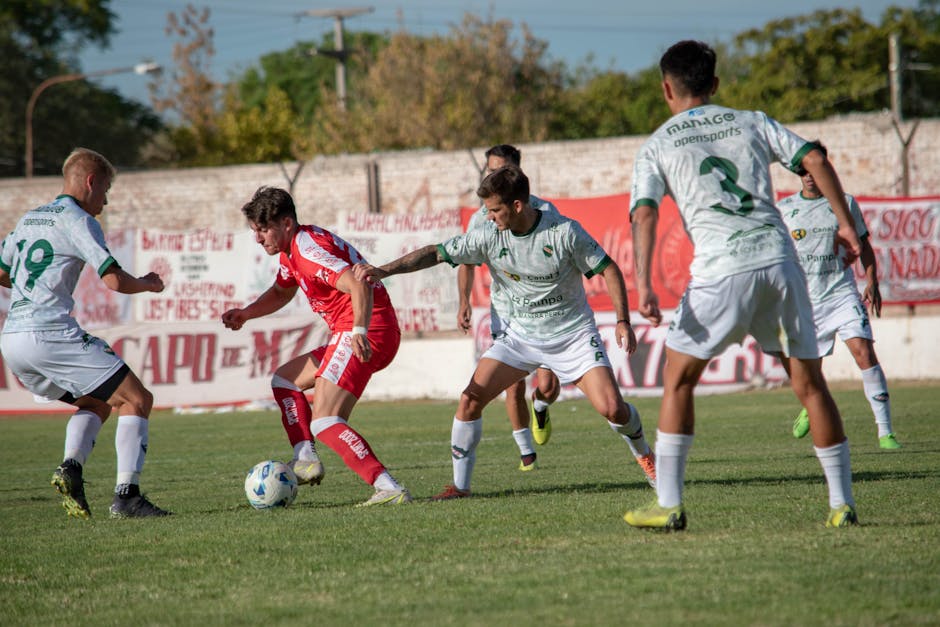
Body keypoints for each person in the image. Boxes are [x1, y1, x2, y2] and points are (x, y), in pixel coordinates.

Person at [624, 40, 861, 531]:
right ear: (714, 84)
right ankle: (842, 504)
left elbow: (644, 213)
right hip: (779, 261)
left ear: (666, 89)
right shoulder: (751, 121)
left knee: (678, 380)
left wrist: (642, 283)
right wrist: (846, 225)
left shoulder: (657, 144)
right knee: (810, 385)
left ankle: (668, 503)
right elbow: (815, 160)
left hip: (721, 270)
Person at [355, 164, 656, 500]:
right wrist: (384, 270)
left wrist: (622, 320)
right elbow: (436, 253)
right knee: (470, 400)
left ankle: (647, 456)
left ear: (517, 205)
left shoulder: (563, 232)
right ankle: (460, 487)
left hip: (572, 335)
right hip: (519, 337)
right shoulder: (488, 235)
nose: (489, 216)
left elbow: (609, 269)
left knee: (613, 409)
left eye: (495, 210)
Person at [0, 147, 170, 519]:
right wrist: (148, 284)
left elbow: (1, 273)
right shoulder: (78, 219)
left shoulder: (29, 219)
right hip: (49, 334)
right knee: (137, 399)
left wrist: (34, 285)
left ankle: (71, 469)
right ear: (91, 182)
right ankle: (127, 497)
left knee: (97, 403)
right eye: (105, 191)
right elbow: (113, 280)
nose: (104, 203)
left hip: (12, 341)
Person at [221, 186, 411, 507]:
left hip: (365, 329)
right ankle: (305, 459)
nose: (258, 238)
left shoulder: (308, 251)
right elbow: (282, 292)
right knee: (285, 380)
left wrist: (359, 331)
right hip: (361, 329)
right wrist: (246, 314)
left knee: (325, 421)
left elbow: (358, 282)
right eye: (255, 230)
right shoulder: (292, 250)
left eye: (263, 229)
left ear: (286, 224)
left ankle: (388, 487)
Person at [778, 146, 900, 449]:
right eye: (803, 170)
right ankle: (809, 406)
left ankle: (885, 432)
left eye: (813, 169)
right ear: (798, 173)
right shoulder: (785, 209)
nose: (809, 175)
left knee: (864, 352)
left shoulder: (844, 203)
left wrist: (872, 280)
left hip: (841, 294)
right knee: (809, 374)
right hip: (807, 302)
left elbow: (863, 244)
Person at [458, 144, 561, 472]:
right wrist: (463, 301)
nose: (494, 175)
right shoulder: (481, 218)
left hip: (544, 313)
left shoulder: (544, 210)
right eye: (490, 170)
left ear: (517, 172)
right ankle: (526, 451)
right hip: (507, 312)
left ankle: (541, 406)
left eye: (501, 170)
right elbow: (465, 259)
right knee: (512, 383)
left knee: (547, 386)